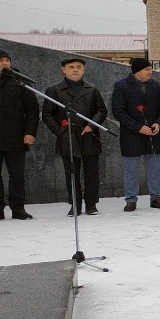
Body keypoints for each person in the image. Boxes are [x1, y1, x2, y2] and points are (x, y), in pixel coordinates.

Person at [42, 56, 108, 216]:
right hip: (68, 138)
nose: (75, 69)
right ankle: (75, 205)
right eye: (71, 67)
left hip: (89, 137)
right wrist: (60, 131)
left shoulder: (92, 89)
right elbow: (47, 114)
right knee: (72, 174)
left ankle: (91, 204)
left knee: (92, 173)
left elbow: (101, 110)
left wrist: (91, 125)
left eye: (79, 66)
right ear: (63, 69)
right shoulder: (54, 90)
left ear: (84, 70)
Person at [111, 57, 160, 212]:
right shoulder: (121, 86)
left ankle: (156, 197)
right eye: (147, 69)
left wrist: (158, 123)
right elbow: (118, 111)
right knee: (131, 170)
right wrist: (137, 127)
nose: (150, 72)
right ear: (137, 71)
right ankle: (131, 199)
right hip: (132, 135)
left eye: (151, 69)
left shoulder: (155, 86)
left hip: (152, 134)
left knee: (154, 169)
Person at [0, 48, 38, 220]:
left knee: (17, 175)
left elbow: (32, 109)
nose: (5, 63)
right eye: (0, 60)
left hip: (15, 136)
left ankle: (18, 208)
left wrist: (30, 132)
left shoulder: (18, 81)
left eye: (7, 60)